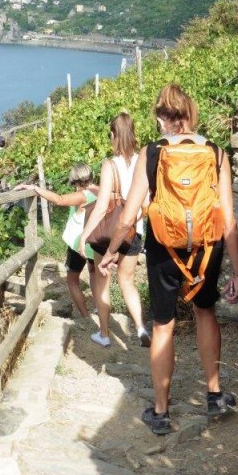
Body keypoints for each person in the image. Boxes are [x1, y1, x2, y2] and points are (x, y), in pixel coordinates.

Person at [98, 84, 238, 436]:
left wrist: (111, 251)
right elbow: (229, 219)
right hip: (208, 248)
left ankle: (161, 412)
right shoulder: (216, 153)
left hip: (165, 250)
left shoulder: (152, 154)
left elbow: (128, 216)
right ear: (191, 114)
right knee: (205, 311)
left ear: (161, 117)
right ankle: (214, 394)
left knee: (163, 323)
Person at [80, 112, 151, 349]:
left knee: (103, 281)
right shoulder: (144, 162)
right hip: (134, 232)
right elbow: (147, 205)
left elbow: (101, 208)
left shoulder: (110, 165)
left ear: (113, 136)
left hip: (109, 234)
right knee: (127, 281)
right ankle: (140, 326)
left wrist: (84, 235)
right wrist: (134, 223)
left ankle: (104, 333)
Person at [15, 163, 99, 319]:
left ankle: (86, 317)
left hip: (78, 244)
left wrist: (36, 189)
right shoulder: (100, 190)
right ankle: (98, 309)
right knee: (95, 275)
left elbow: (59, 200)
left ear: (75, 179)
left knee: (72, 280)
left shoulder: (83, 195)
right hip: (96, 244)